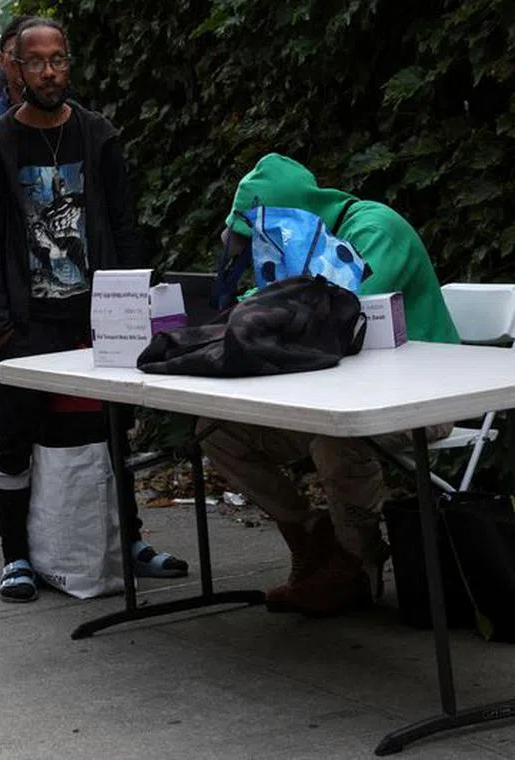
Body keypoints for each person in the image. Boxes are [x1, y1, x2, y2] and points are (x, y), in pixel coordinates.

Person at [0, 18, 188, 601]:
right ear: (14, 67)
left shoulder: (98, 136)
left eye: (58, 59)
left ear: (69, 63)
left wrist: (134, 304)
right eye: (35, 61)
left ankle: (128, 542)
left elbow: (124, 224)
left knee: (111, 431)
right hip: (27, 319)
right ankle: (16, 555)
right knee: (16, 434)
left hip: (98, 314)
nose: (48, 71)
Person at [198, 152, 461, 617]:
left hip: (424, 399)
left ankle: (357, 563)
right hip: (341, 394)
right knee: (218, 430)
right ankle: (310, 538)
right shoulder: (295, 247)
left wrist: (260, 313)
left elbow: (338, 307)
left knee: (337, 437)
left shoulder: (374, 229)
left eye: (261, 235)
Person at [0, 16, 33, 118]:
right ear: (2, 60)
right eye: (15, 53)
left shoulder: (65, 109)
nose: (21, 60)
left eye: (31, 55)